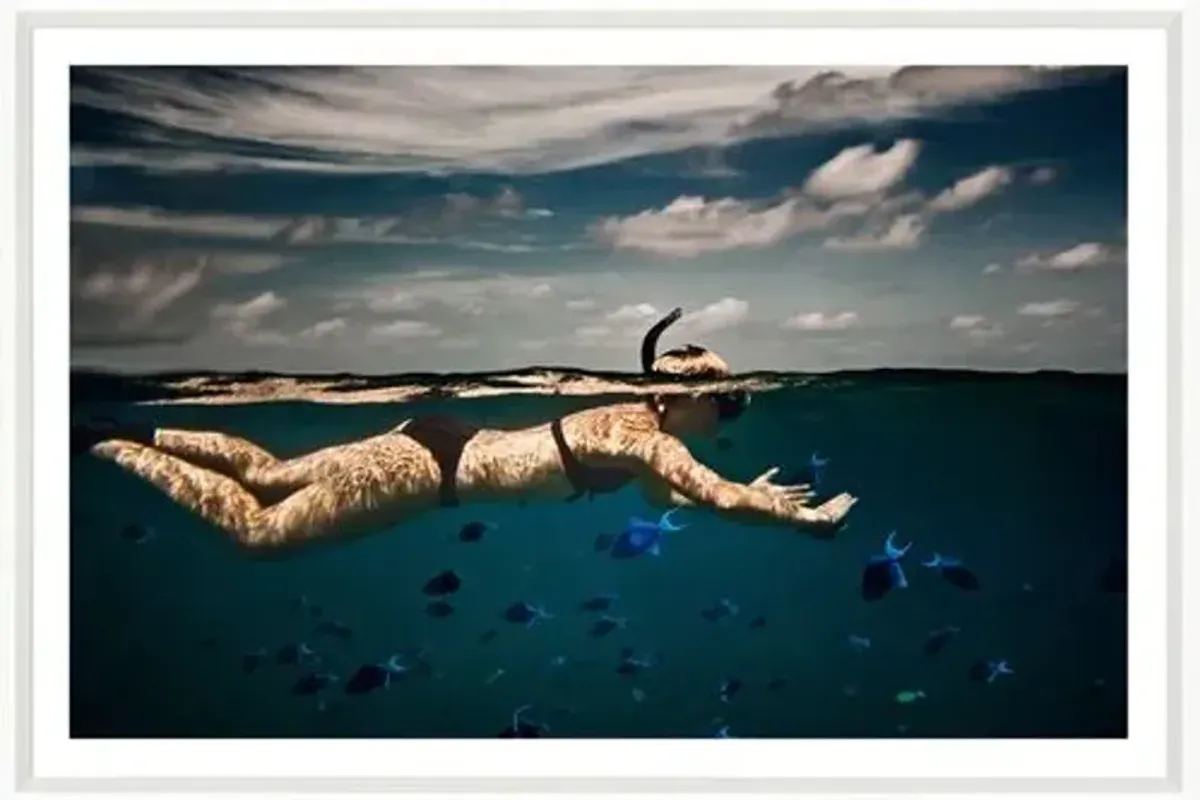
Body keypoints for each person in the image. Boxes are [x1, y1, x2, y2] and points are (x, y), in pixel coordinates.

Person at [72, 307, 858, 552]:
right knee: (257, 527)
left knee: (275, 473)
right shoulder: (644, 434)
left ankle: (140, 433)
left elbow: (686, 498)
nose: (733, 410)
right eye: (727, 399)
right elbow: (707, 497)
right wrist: (798, 519)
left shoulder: (641, 435)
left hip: (437, 440)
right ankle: (111, 443)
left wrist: (737, 495)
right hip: (428, 474)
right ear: (670, 398)